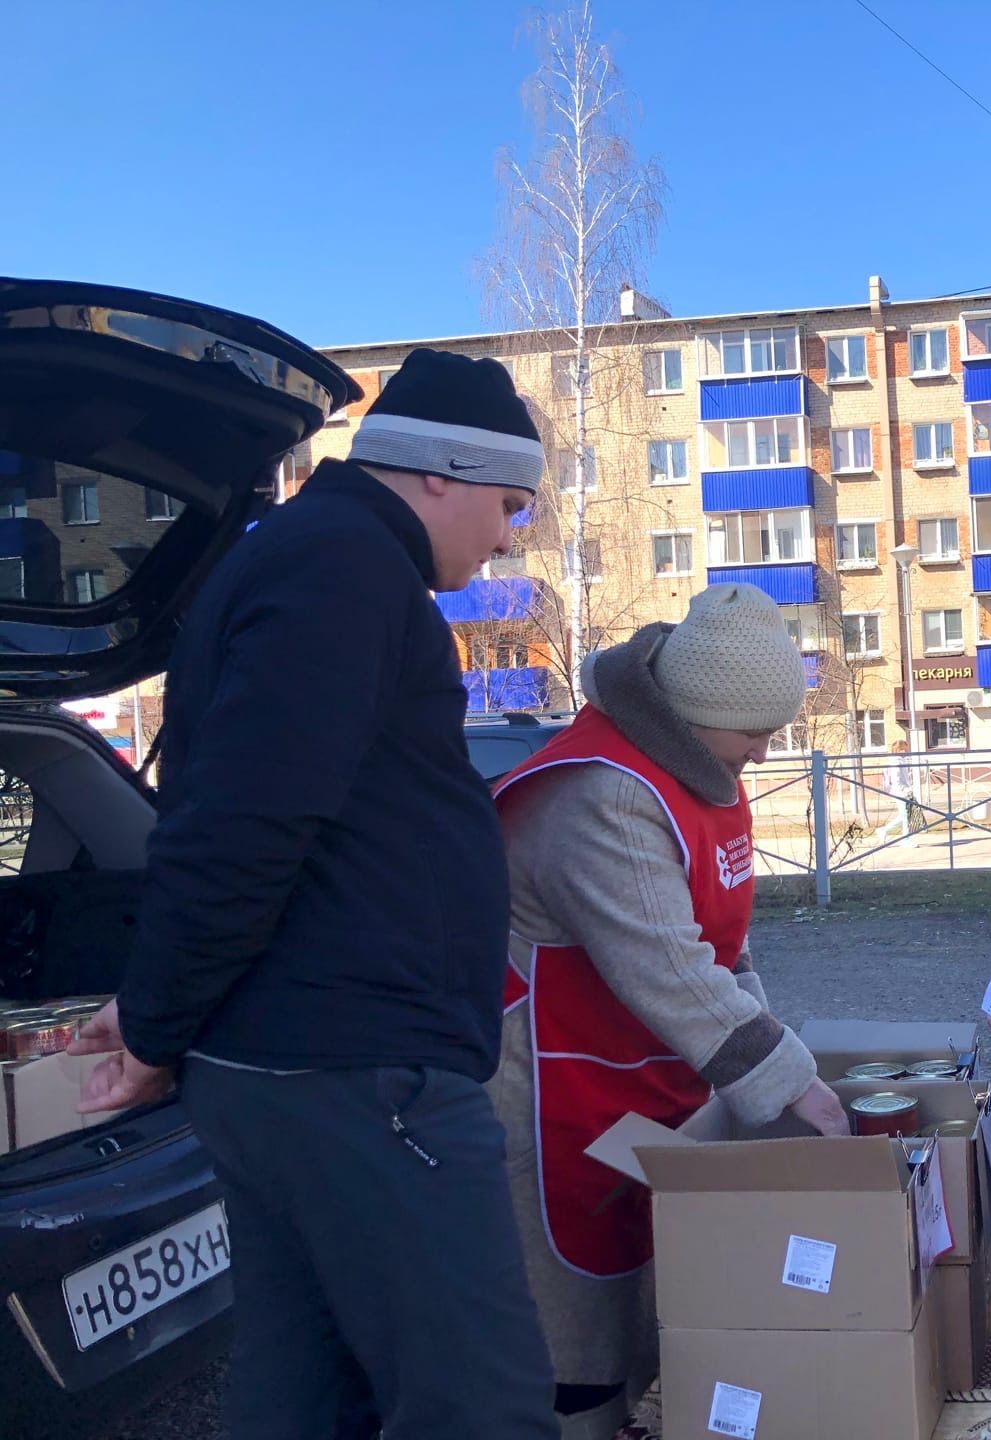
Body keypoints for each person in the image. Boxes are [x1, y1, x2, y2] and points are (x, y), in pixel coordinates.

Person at [70, 351, 562, 1438]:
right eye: (507, 504)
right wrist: (154, 1023)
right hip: (359, 1073)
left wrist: (160, 1005)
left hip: (300, 1061)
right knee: (480, 1407)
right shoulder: (341, 569)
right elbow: (247, 822)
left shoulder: (316, 559)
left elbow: (246, 807)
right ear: (441, 473)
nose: (507, 536)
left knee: (310, 1399)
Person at [487, 583, 850, 1439]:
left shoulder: (701, 769)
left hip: (645, 1074)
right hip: (553, 1086)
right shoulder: (599, 794)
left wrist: (767, 1055)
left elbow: (724, 946)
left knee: (651, 1289)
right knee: (572, 1326)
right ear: (699, 713)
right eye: (755, 734)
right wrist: (799, 1088)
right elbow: (668, 968)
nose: (762, 755)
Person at [878, 738, 917, 840]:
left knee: (905, 816)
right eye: (905, 749)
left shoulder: (900, 761)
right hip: (900, 792)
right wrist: (906, 790)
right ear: (900, 750)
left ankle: (884, 831)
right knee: (905, 817)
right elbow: (897, 781)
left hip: (903, 791)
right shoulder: (896, 762)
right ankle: (906, 840)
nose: (907, 751)